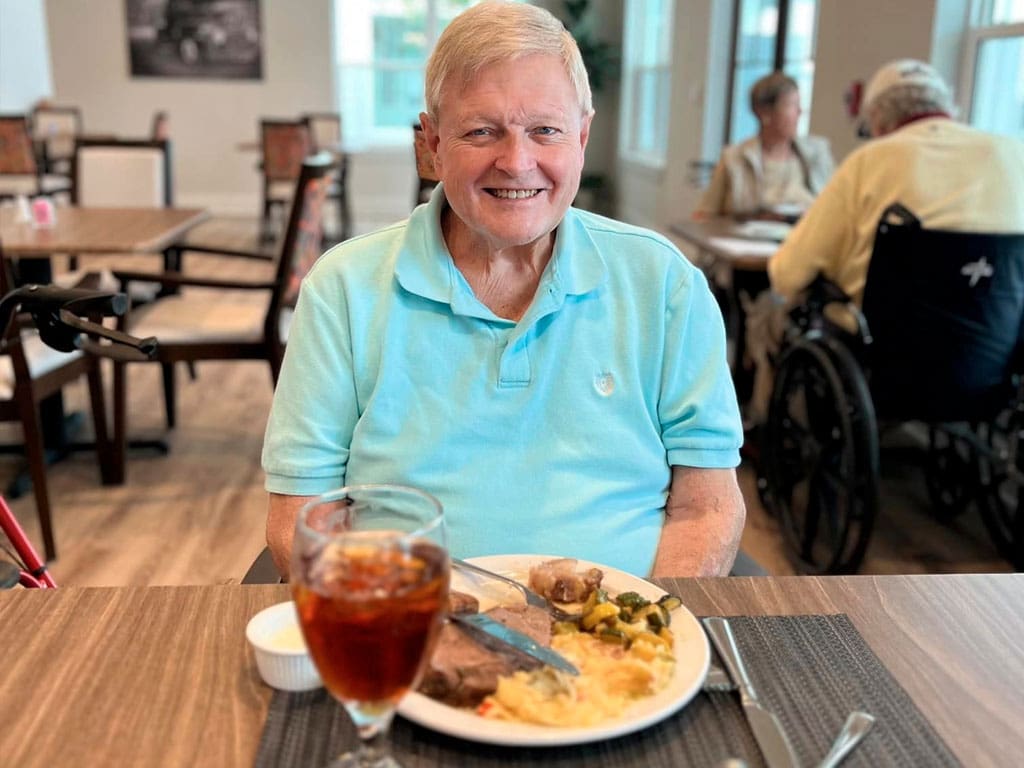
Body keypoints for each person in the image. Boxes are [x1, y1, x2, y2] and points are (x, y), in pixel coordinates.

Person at [261, 0, 745, 580]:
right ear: (432, 145)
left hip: (622, 639)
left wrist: (648, 635)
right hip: (412, 629)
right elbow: (299, 514)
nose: (516, 163)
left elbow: (706, 508)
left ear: (582, 137)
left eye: (545, 130)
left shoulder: (665, 285)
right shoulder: (344, 290)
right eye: (481, 131)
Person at [769, 58, 1024, 307]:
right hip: (998, 343)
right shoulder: (1015, 154)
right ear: (949, 103)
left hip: (878, 343)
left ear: (877, 117)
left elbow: (787, 274)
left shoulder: (870, 161)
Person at [696, 71, 834, 219]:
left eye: (799, 105)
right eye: (791, 105)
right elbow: (704, 214)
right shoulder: (733, 158)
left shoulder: (817, 153)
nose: (799, 112)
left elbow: (836, 207)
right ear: (765, 113)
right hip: (746, 240)